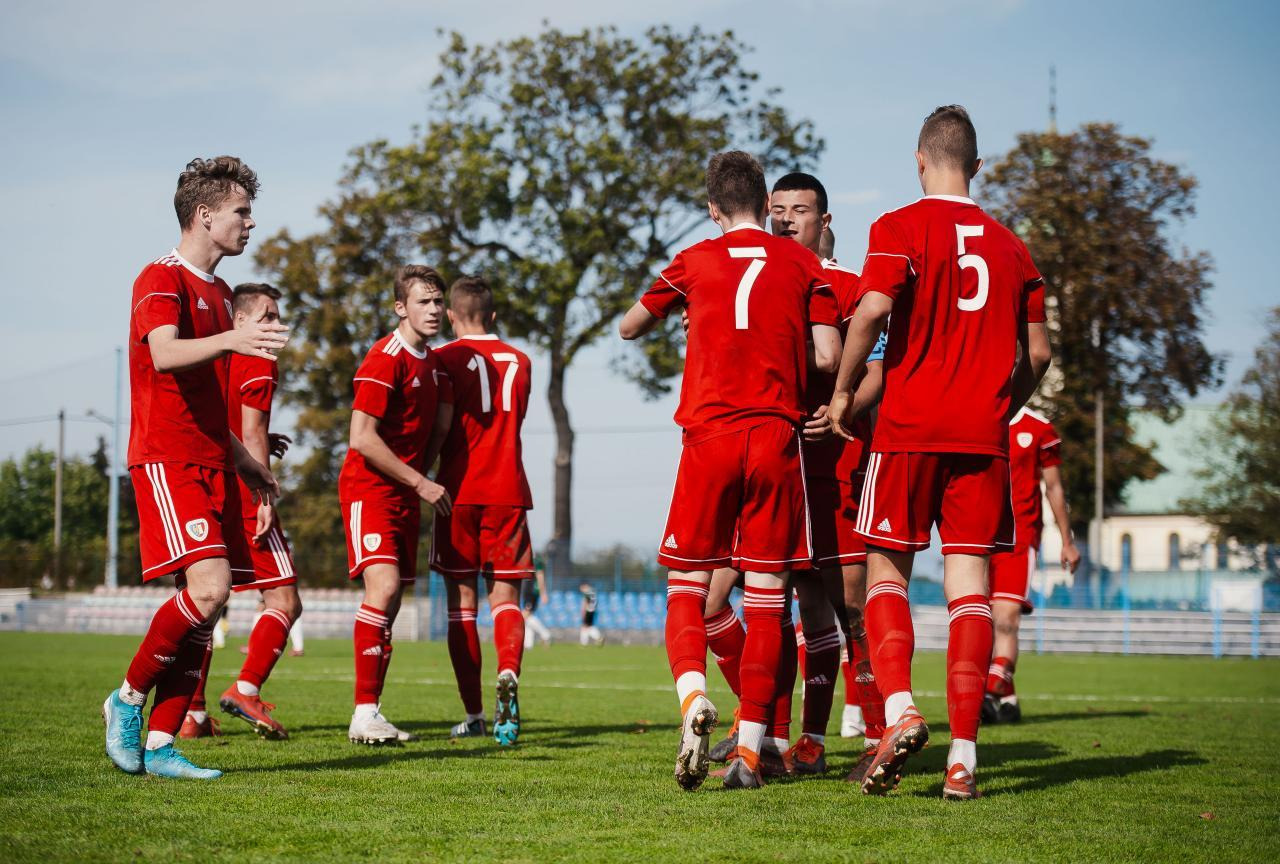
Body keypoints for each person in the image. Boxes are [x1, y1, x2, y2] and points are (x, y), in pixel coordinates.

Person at [829, 105, 1053, 799]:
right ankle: (963, 760)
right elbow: (1039, 353)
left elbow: (872, 309)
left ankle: (900, 709)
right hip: (982, 440)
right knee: (970, 589)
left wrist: (843, 393)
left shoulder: (899, 227)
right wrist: (1002, 405)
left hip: (909, 431)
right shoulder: (1014, 249)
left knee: (885, 573)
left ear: (919, 160)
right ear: (978, 167)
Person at [620, 150, 840, 790]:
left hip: (710, 436)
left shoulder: (694, 261)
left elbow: (630, 327)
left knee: (688, 587)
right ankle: (749, 752)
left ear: (713, 208)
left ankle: (694, 696)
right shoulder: (802, 263)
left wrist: (701, 318)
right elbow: (828, 356)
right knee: (769, 601)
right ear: (766, 204)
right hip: (775, 438)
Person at [103, 156, 288, 780]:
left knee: (209, 604)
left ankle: (161, 745)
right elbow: (163, 353)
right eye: (241, 212)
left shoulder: (222, 293)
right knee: (209, 589)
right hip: (167, 457)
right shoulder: (161, 277)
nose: (250, 223)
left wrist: (246, 461)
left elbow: (208, 400)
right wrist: (234, 340)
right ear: (204, 215)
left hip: (213, 460)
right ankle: (127, 698)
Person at [768, 172, 889, 780]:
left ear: (825, 220)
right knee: (803, 604)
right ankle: (805, 742)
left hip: (839, 462)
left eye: (800, 209)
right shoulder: (763, 283)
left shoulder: (851, 287)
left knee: (850, 603)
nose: (787, 220)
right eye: (778, 209)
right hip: (778, 465)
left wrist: (841, 409)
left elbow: (877, 373)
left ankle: (878, 735)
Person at [340, 265, 453, 745]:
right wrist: (421, 482)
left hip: (404, 493)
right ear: (400, 308)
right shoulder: (384, 358)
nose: (434, 309)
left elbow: (437, 430)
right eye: (423, 301)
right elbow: (361, 438)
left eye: (438, 301)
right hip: (369, 489)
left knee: (392, 603)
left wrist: (419, 479)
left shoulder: (435, 365)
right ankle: (363, 714)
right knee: (383, 588)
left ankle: (371, 711)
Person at [430, 275, 536, 745]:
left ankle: (474, 714)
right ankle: (508, 672)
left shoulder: (442, 359)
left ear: (451, 315)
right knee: (506, 600)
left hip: (457, 492)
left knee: (462, 608)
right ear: (492, 316)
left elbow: (439, 425)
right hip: (508, 488)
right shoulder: (522, 361)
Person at [983, 407, 1081, 723]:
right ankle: (1008, 700)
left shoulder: (1038, 428)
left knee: (1006, 618)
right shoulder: (978, 415)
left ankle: (988, 692)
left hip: (1020, 538)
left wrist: (1066, 540)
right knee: (983, 622)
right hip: (978, 535)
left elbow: (1054, 487)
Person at [522, 562, 552, 648]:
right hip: (528, 591)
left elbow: (540, 576)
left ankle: (545, 634)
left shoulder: (536, 561)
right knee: (527, 618)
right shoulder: (528, 561)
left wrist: (543, 593)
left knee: (525, 616)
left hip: (531, 592)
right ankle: (528, 644)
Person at [579, 582, 604, 646]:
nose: (581, 590)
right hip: (592, 611)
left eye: (581, 588)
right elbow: (595, 603)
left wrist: (583, 611)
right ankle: (598, 638)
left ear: (585, 586)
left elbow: (585, 603)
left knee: (585, 626)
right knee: (588, 626)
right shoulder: (593, 592)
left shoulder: (587, 593)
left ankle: (585, 642)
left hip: (588, 610)